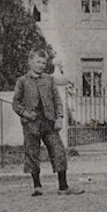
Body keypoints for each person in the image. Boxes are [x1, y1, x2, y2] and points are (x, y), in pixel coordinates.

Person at [11, 48, 79, 197]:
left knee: (59, 151)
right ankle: (37, 186)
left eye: (44, 62)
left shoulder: (49, 80)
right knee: (32, 153)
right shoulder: (22, 81)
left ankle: (63, 186)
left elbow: (57, 101)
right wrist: (26, 114)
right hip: (31, 123)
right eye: (38, 62)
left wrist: (60, 118)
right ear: (30, 62)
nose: (41, 65)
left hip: (49, 122)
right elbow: (15, 103)